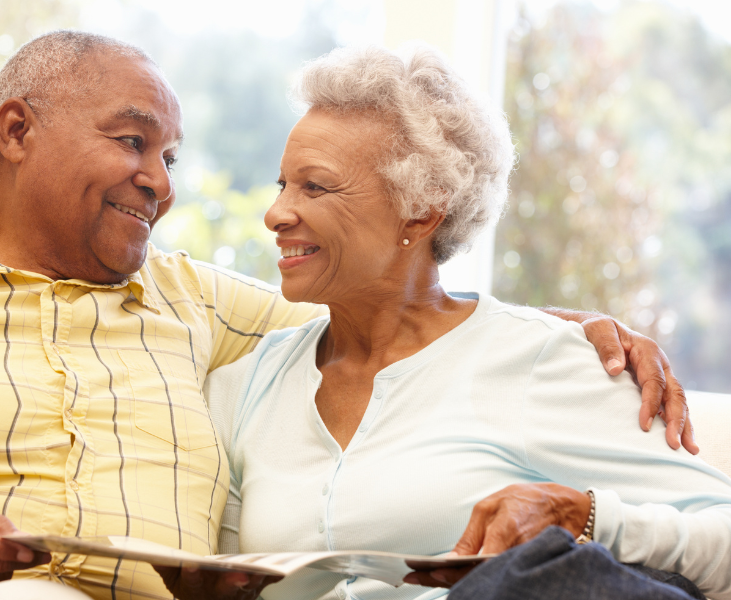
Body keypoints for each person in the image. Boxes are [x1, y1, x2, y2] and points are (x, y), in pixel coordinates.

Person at [0, 31, 697, 600]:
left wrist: (563, 327)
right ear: (16, 132)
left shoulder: (200, 307)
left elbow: (400, 313)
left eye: (172, 157)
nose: (160, 182)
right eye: (132, 142)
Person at [156, 45, 731, 600]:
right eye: (283, 183)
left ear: (423, 207)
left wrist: (589, 518)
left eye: (316, 186)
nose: (276, 213)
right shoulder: (247, 385)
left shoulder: (541, 360)